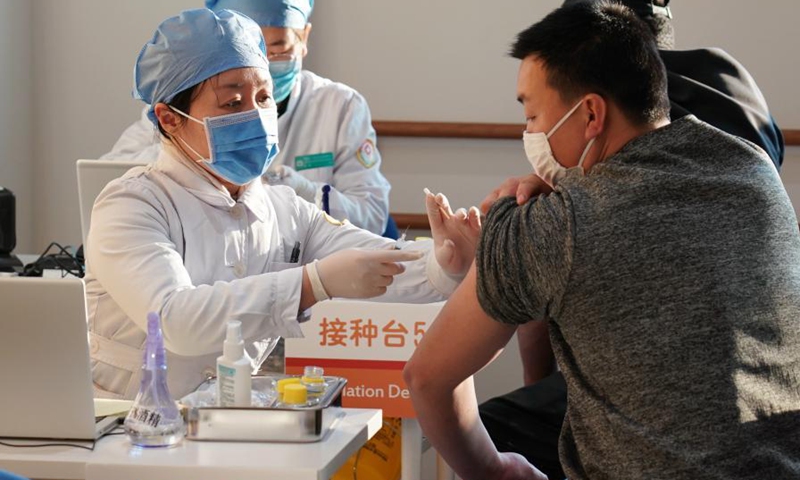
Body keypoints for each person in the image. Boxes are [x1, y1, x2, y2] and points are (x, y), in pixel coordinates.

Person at [405, 2, 800, 479]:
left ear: (591, 112)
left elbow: (427, 379)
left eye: (532, 117)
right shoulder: (754, 172)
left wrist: (498, 470)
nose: (529, 135)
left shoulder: (559, 223)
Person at [85, 8, 481, 400]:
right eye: (232, 104)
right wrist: (312, 284)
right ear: (169, 119)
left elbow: (376, 258)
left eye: (262, 97)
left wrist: (442, 262)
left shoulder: (283, 208)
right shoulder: (133, 204)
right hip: (123, 422)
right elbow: (176, 321)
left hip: (217, 420)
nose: (256, 117)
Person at [100, 0, 396, 237]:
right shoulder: (176, 117)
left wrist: (296, 187)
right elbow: (111, 185)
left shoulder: (339, 107)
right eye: (231, 103)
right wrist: (196, 158)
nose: (261, 63)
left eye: (277, 47)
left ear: (304, 37)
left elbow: (370, 222)